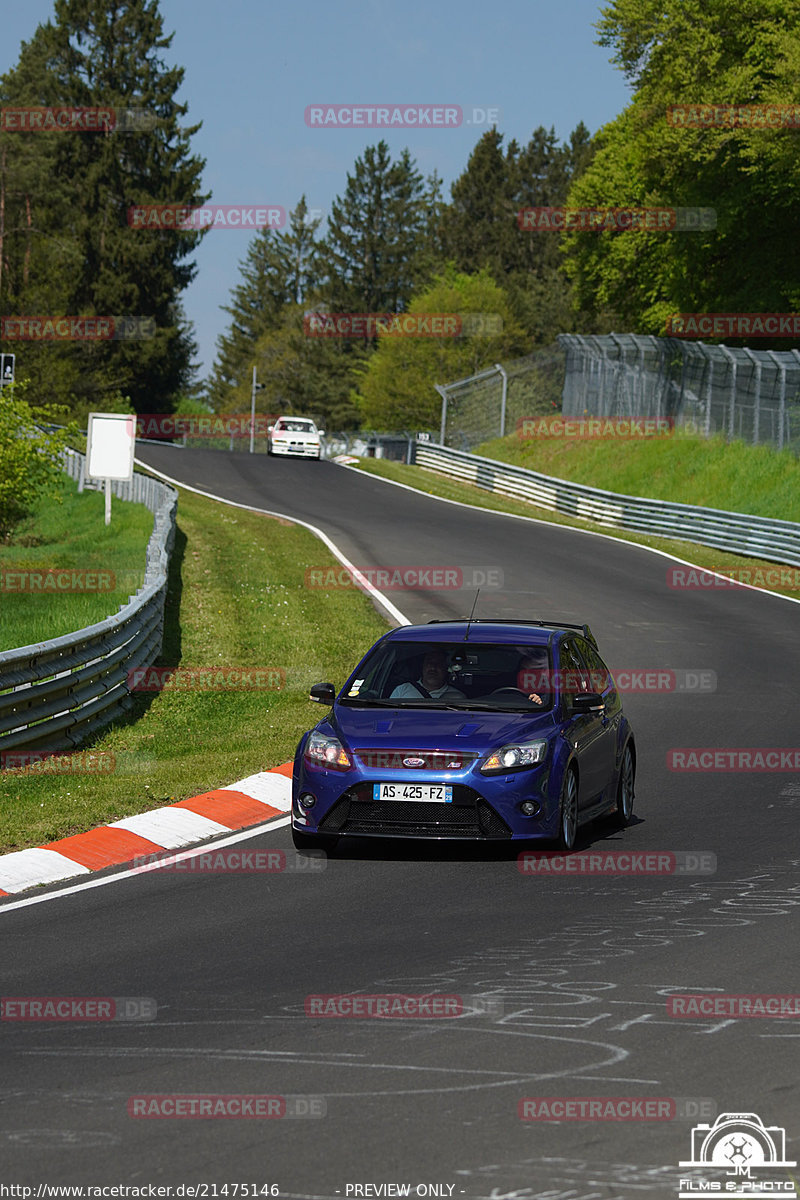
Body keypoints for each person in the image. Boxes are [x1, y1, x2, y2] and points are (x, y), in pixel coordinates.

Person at [390, 649, 467, 701]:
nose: (433, 667)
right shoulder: (402, 689)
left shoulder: (458, 697)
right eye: (429, 663)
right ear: (423, 666)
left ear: (446, 668)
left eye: (439, 664)